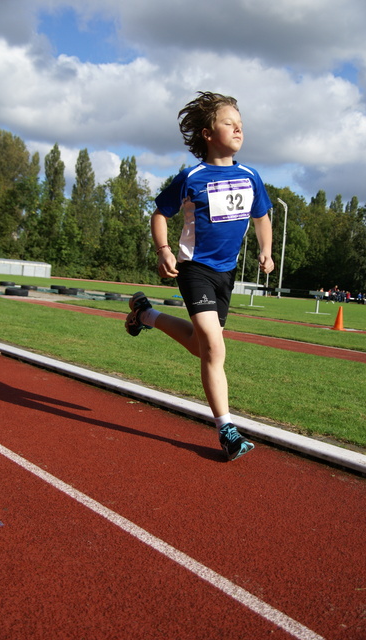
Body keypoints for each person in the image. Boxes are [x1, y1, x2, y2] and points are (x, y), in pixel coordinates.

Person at [125, 91, 274, 461]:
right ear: (208, 133)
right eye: (229, 122)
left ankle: (145, 314)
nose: (238, 127)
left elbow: (262, 216)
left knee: (201, 346)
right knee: (214, 345)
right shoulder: (192, 177)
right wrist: (163, 251)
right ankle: (227, 430)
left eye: (241, 122)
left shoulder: (250, 175)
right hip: (194, 268)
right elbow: (160, 213)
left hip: (226, 274)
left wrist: (266, 250)